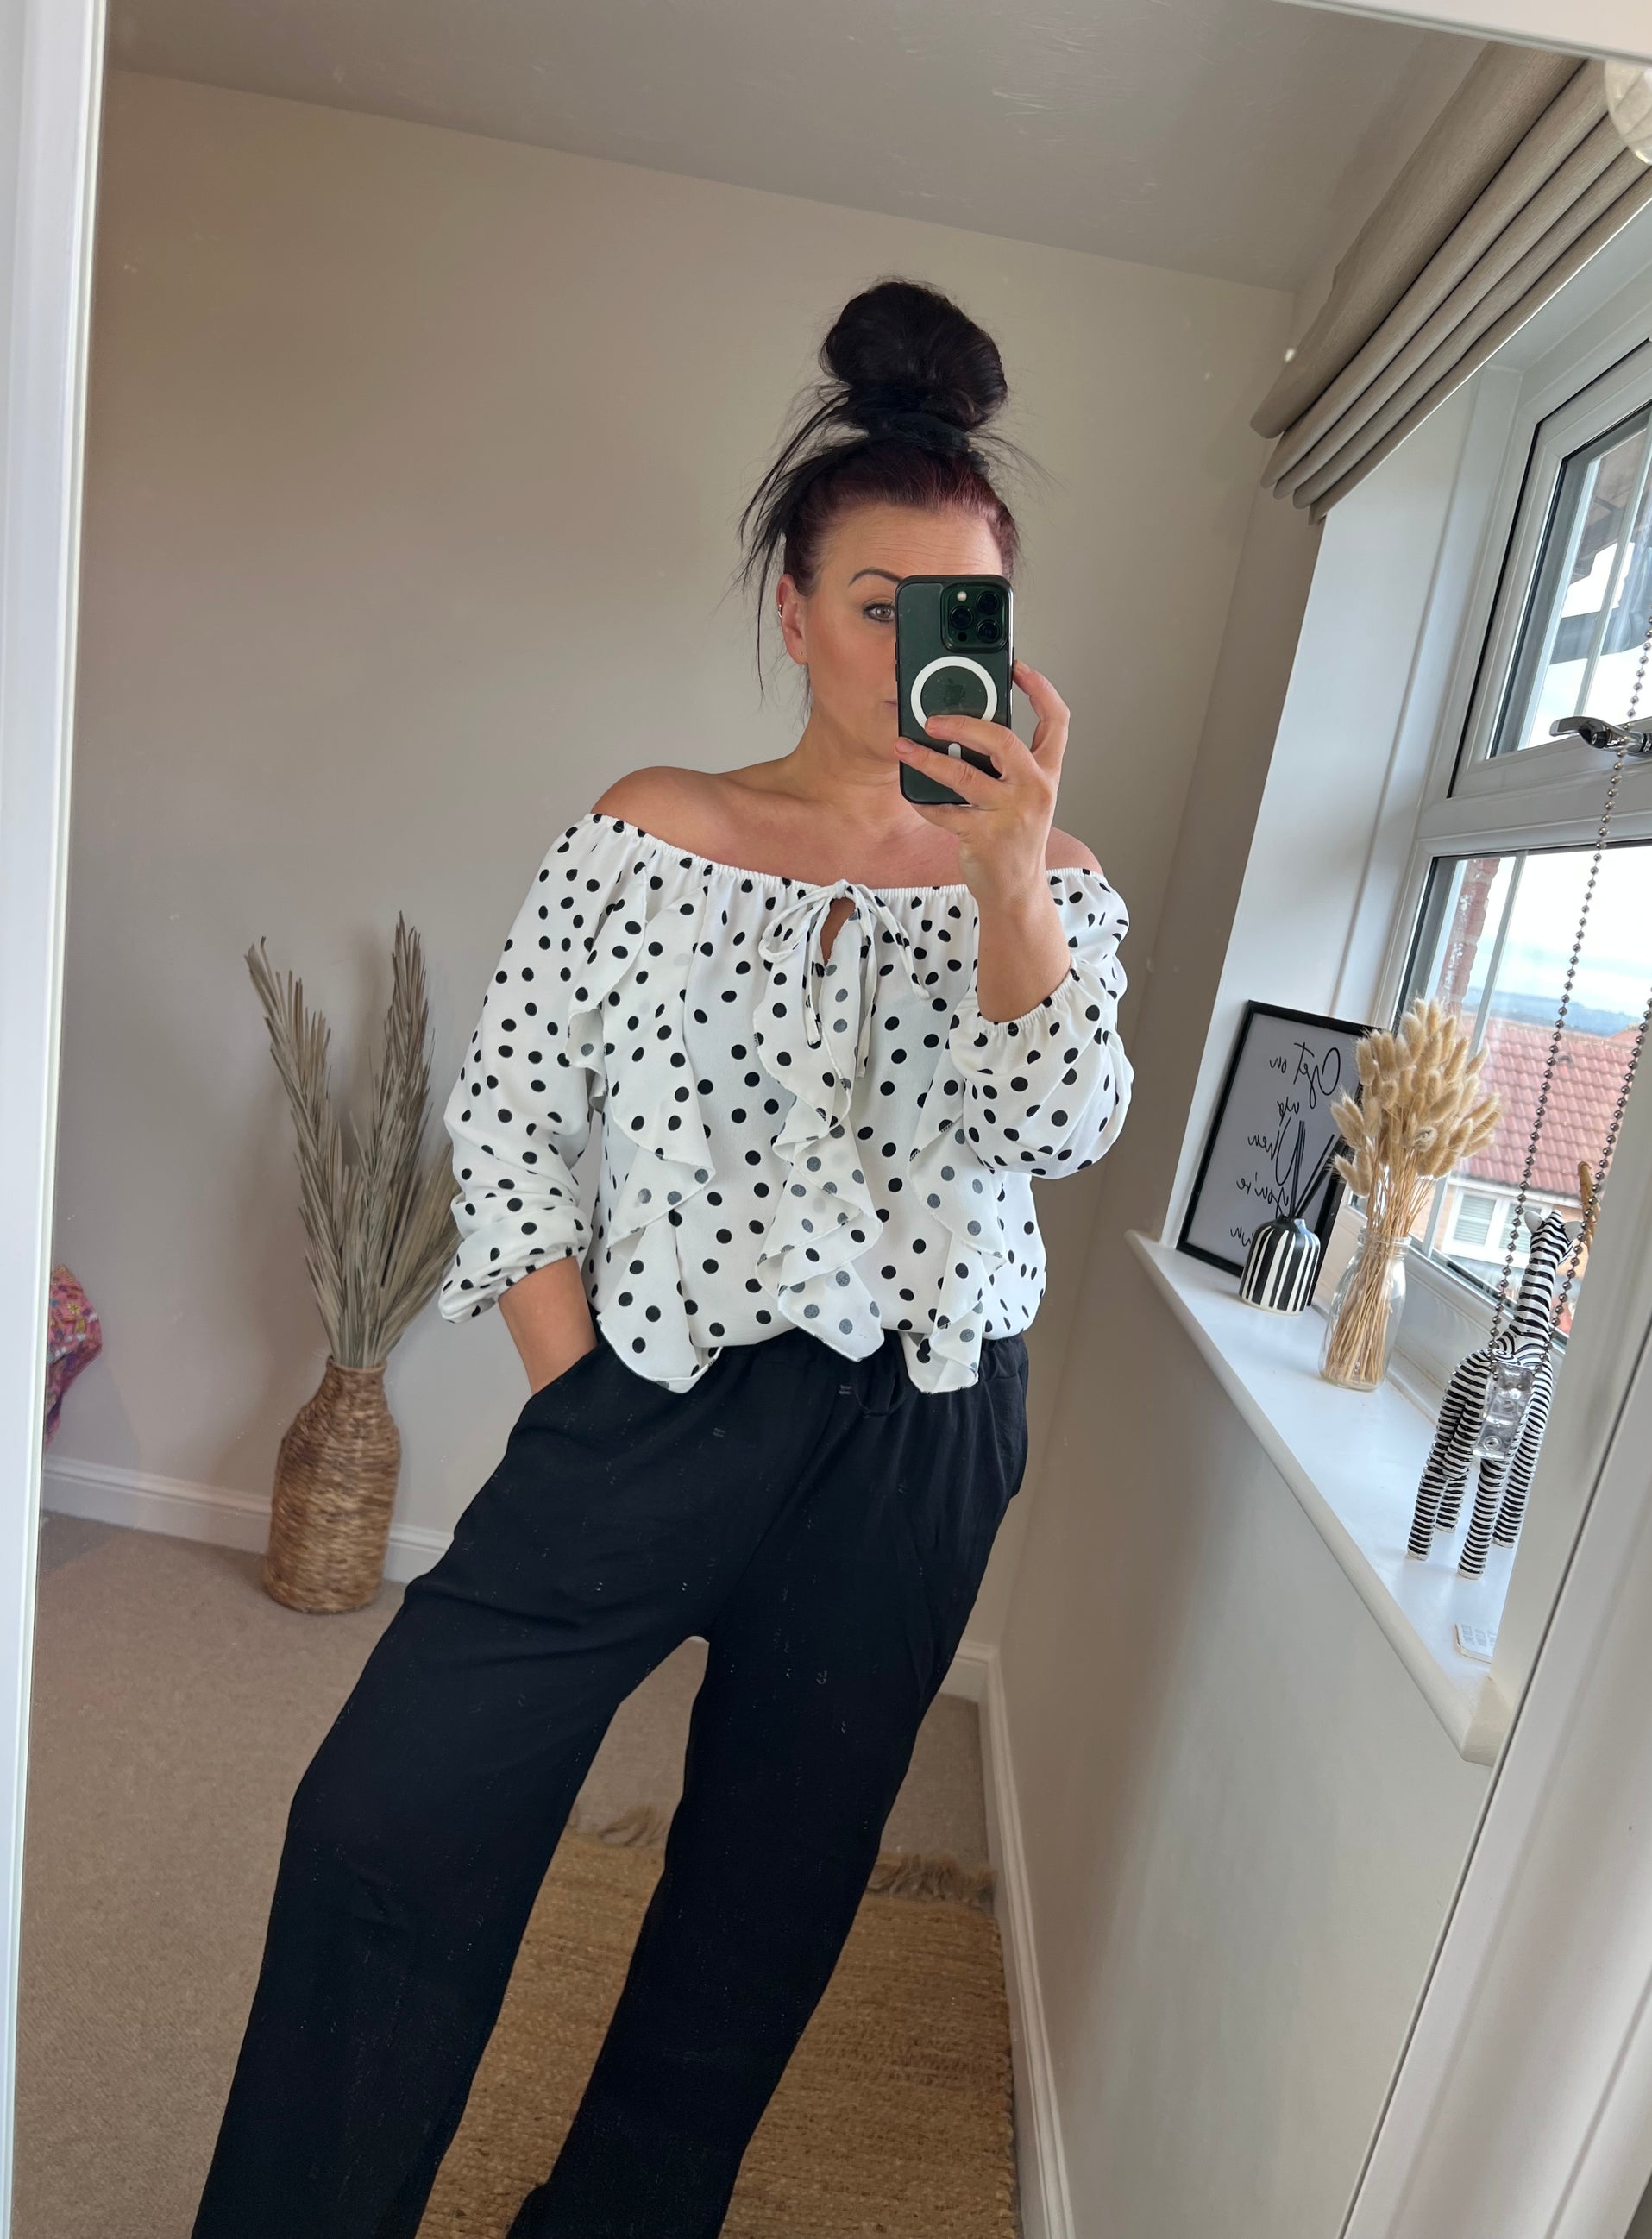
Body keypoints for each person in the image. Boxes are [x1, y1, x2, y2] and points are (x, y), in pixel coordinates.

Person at [191, 275, 1135, 2239]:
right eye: (875, 601)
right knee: (386, 1814)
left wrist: (1008, 878)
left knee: (766, 1893)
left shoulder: (1049, 885)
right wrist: (581, 1387)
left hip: (920, 1435)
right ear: (792, 611)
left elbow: (1055, 1133)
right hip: (649, 1401)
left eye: (961, 611)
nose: (915, 647)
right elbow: (510, 1120)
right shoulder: (648, 829)